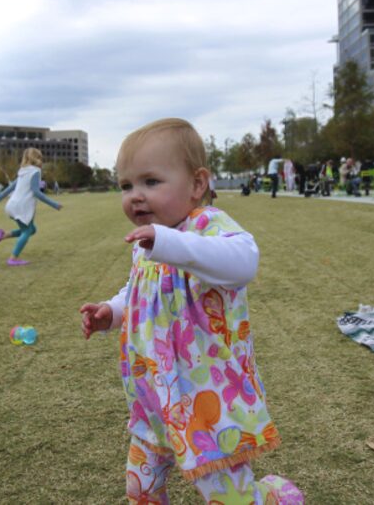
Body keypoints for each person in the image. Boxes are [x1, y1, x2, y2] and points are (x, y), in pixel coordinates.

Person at [78, 118, 302, 504]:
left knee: (229, 496)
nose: (135, 195)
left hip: (206, 398)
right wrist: (112, 312)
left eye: (151, 182)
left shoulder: (205, 226)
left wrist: (170, 243)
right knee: (140, 489)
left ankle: (275, 498)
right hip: (156, 398)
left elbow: (243, 262)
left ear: (197, 184)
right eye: (126, 185)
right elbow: (139, 289)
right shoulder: (148, 244)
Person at [0, 147, 62, 266]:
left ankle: (2, 235)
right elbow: (36, 192)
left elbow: (12, 187)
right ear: (36, 159)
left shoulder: (23, 170)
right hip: (22, 206)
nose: (42, 161)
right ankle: (13, 258)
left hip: (12, 205)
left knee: (31, 229)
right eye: (40, 158)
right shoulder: (35, 172)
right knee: (27, 231)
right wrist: (54, 204)